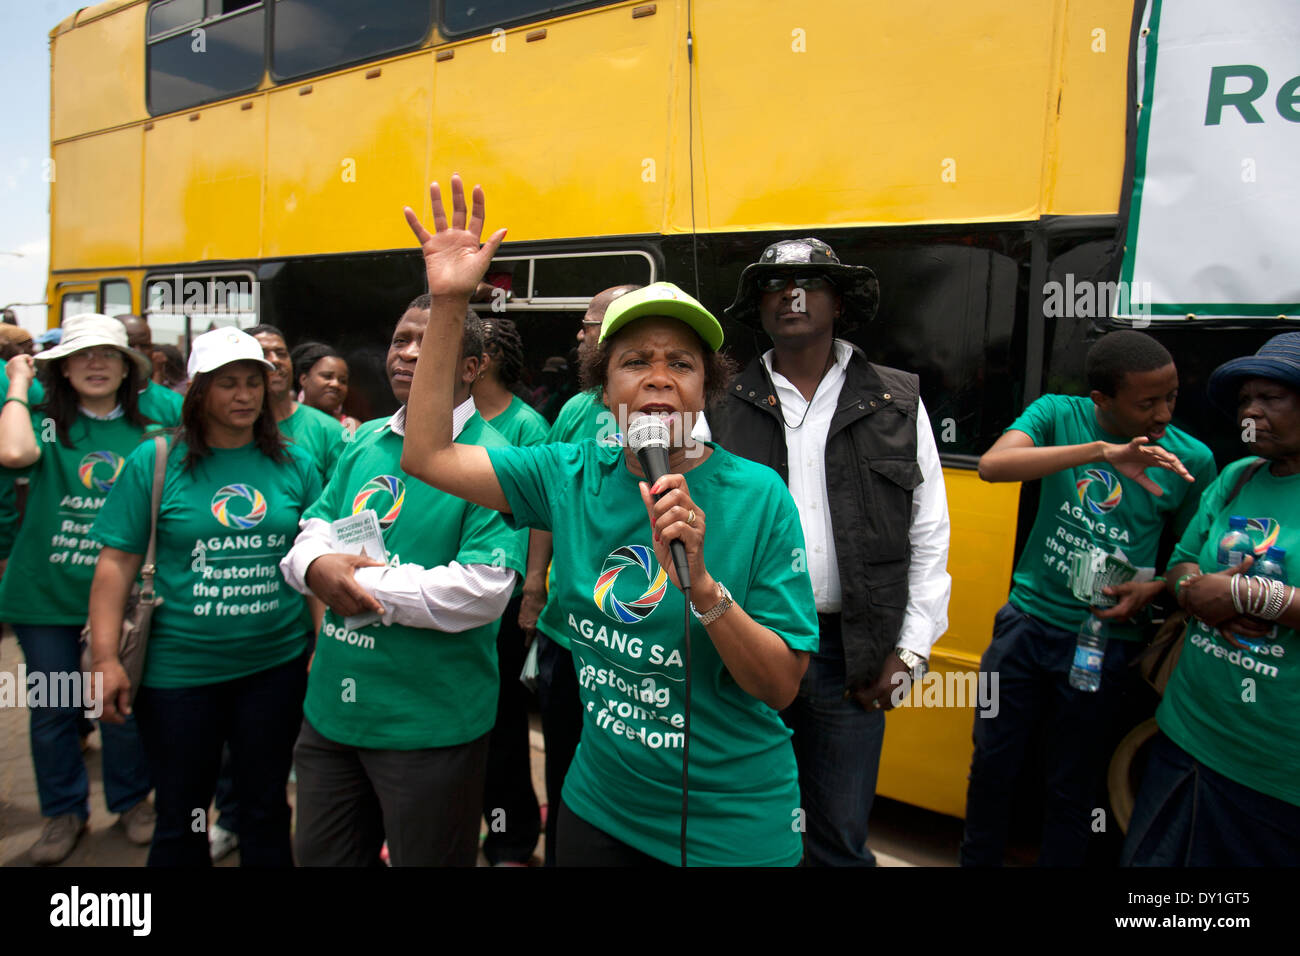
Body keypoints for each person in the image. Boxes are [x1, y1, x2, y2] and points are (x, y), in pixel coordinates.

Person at [400, 177, 819, 866]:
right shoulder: (567, 472)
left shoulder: (759, 496)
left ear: (703, 388)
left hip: (729, 826)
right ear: (604, 388)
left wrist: (705, 590)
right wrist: (449, 302)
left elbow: (779, 686)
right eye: (635, 362)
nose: (658, 378)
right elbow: (427, 454)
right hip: (598, 809)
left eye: (680, 363)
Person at [703, 238, 951, 866]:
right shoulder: (720, 401)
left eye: (810, 283)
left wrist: (913, 649)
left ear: (838, 303)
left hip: (852, 655)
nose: (792, 297)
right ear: (758, 307)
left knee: (837, 838)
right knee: (740, 825)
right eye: (775, 286)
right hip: (751, 644)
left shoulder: (897, 398)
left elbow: (928, 532)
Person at [280, 296, 525, 867]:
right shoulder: (364, 441)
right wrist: (317, 567)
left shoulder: (497, 459)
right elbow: (312, 533)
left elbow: (482, 592)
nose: (408, 353)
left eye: (429, 341)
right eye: (399, 340)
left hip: (430, 726)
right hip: (331, 714)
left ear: (471, 366)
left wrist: (353, 582)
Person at [963, 330, 1218, 866]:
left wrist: (1153, 588)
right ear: (1102, 399)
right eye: (1146, 402)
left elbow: (1190, 562)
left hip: (1107, 641)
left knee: (1072, 785)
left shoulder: (1191, 459)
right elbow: (993, 467)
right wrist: (1103, 451)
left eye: (1171, 397)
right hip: (1025, 627)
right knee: (992, 766)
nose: (1163, 414)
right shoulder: (1059, 413)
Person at [88, 327, 323, 867]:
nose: (244, 396)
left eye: (253, 383)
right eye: (227, 385)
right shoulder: (156, 460)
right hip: (178, 677)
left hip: (275, 668)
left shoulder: (296, 464)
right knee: (181, 813)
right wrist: (104, 659)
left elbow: (316, 560)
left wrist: (322, 644)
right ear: (198, 392)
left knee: (265, 808)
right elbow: (115, 565)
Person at [1123, 332, 1300, 865]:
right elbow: (1181, 564)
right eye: (1246, 400)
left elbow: (1233, 589)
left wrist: (1247, 595)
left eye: (1271, 398)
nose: (1252, 412)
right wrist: (1198, 594)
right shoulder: (1237, 477)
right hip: (1186, 737)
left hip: (1275, 774)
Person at [0, 314, 158, 865]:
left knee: (118, 703)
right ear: (62, 369)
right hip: (44, 596)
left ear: (126, 368)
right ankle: (63, 813)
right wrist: (19, 384)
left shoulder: (150, 426)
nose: (95, 364)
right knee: (53, 709)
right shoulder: (38, 421)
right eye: (82, 356)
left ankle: (134, 801)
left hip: (120, 598)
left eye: (107, 355)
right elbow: (14, 456)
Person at [516, 284, 638, 866]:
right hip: (568, 633)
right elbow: (545, 503)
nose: (581, 336)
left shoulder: (683, 414)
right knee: (564, 764)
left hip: (634, 639)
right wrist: (535, 583)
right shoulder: (575, 410)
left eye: (590, 325)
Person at [250, 325, 345, 483]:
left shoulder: (329, 430)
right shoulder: (233, 431)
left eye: (281, 354)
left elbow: (339, 500)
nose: (275, 360)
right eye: (263, 354)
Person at [116, 315, 184, 428]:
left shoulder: (174, 403)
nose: (138, 353)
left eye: (144, 346)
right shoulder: (89, 400)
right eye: (129, 345)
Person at [292, 342, 361, 433]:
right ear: (304, 379)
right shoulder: (286, 419)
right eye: (327, 376)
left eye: (343, 381)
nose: (336, 384)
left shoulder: (351, 427)